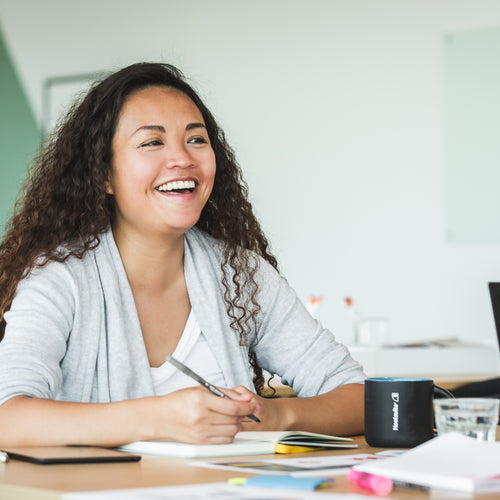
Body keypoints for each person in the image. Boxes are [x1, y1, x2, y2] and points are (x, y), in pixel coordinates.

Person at [0, 62, 365, 448]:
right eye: (152, 142)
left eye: (196, 139)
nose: (182, 159)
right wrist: (156, 417)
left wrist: (272, 416)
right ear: (103, 174)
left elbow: (358, 397)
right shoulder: (60, 278)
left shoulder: (240, 273)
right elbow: (8, 417)